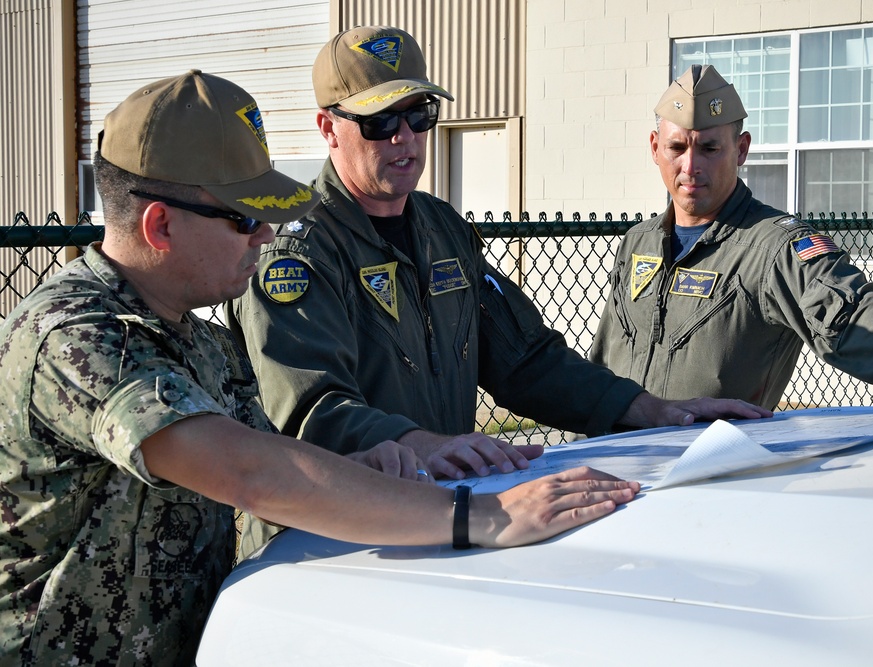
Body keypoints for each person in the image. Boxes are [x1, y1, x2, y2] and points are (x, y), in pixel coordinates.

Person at [0, 70, 644, 666]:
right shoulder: (77, 337)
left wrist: (369, 463)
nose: (265, 238)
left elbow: (275, 452)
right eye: (246, 217)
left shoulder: (196, 343)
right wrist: (484, 517)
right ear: (160, 225)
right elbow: (250, 472)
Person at [226, 25, 770, 488]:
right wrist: (421, 446)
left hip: (436, 509)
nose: (405, 140)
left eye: (419, 115)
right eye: (380, 123)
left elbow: (526, 361)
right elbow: (311, 409)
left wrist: (651, 410)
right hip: (329, 538)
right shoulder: (295, 252)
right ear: (328, 129)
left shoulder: (442, 230)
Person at [590, 64, 873, 413]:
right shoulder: (638, 242)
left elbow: (852, 311)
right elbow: (606, 356)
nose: (690, 165)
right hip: (618, 462)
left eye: (710, 148)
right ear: (654, 147)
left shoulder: (772, 248)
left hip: (706, 477)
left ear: (742, 149)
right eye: (676, 147)